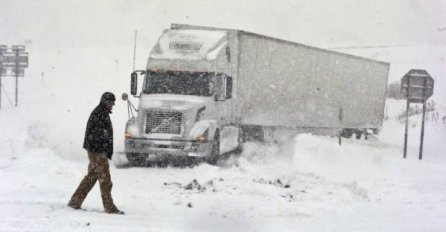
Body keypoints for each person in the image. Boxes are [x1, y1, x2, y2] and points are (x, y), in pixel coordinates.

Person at [68, 92, 124, 214]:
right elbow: (99, 135)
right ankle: (109, 207)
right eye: (110, 102)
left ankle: (75, 202)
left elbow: (101, 135)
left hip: (96, 151)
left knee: (91, 177)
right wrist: (103, 151)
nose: (113, 104)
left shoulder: (101, 112)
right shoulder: (99, 113)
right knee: (105, 180)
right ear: (104, 101)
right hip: (98, 152)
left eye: (113, 102)